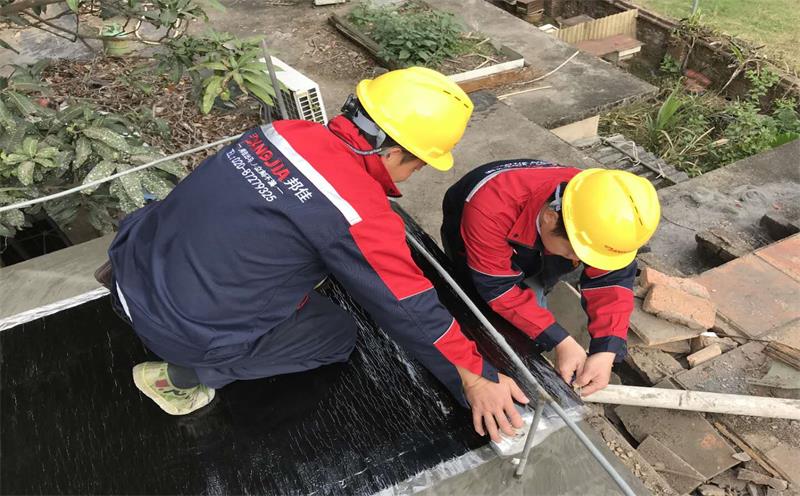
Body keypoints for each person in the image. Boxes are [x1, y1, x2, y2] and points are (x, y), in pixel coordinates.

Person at [95, 67, 527, 442]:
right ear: (393, 151)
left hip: (130, 266)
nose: (415, 175)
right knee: (335, 333)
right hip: (177, 330)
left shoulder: (282, 132)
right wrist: (476, 376)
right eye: (420, 164)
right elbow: (408, 305)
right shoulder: (358, 211)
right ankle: (180, 377)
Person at [441, 160, 660, 396]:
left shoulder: (604, 215)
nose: (582, 260)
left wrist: (606, 350)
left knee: (537, 292)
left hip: (538, 239)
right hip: (478, 231)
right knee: (476, 301)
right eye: (574, 252)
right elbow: (498, 288)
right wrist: (560, 340)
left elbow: (611, 282)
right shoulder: (489, 209)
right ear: (550, 218)